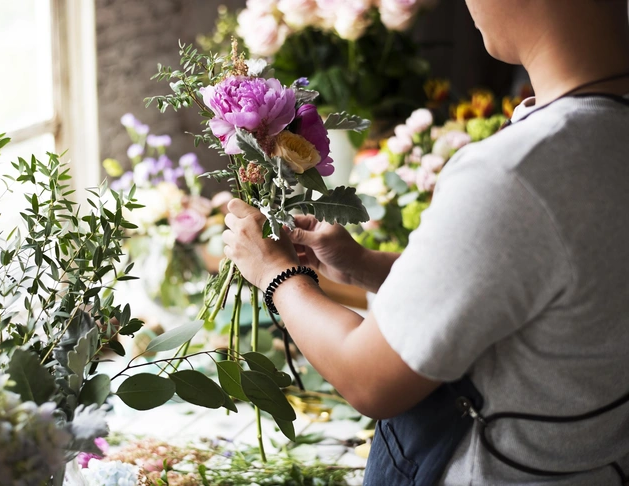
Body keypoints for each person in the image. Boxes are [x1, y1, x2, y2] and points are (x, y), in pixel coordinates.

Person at [221, 0, 629, 484]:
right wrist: (362, 265)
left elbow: (368, 379)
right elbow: (534, 293)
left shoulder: (519, 171)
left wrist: (273, 272)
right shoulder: (596, 133)